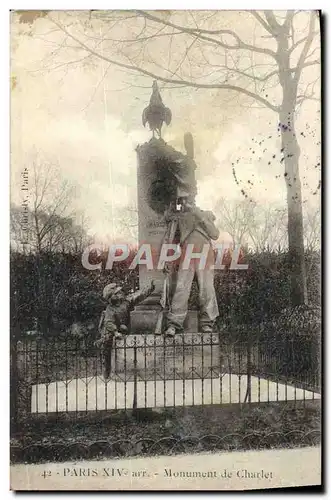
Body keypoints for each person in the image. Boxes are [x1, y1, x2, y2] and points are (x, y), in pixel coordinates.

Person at [164, 200, 219, 336]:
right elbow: (170, 240)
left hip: (205, 252)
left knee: (207, 288)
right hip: (187, 252)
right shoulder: (178, 218)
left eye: (189, 199)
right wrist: (167, 259)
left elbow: (215, 234)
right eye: (183, 200)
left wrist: (199, 216)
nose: (186, 202)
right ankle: (174, 323)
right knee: (182, 287)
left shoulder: (205, 214)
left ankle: (207, 323)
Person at [96, 280, 155, 377]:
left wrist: (150, 288)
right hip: (110, 330)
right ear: (112, 297)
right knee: (107, 343)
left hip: (123, 327)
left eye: (120, 292)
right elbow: (108, 323)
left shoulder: (126, 302)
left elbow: (139, 295)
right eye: (117, 293)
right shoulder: (110, 309)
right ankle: (106, 368)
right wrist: (115, 332)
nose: (121, 293)